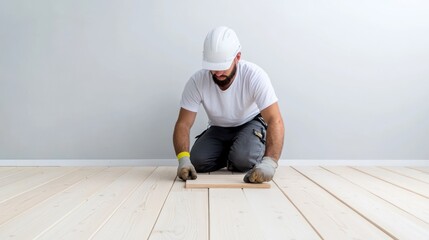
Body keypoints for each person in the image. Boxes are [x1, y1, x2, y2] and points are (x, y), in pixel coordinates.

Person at [173, 26, 284, 183]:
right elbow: (183, 124)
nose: (217, 73)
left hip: (250, 124)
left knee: (243, 160)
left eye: (222, 67)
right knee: (197, 161)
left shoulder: (254, 75)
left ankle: (243, 154)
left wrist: (270, 162)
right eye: (213, 67)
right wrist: (183, 159)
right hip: (218, 128)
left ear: (237, 57)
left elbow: (275, 119)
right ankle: (234, 155)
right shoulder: (197, 81)